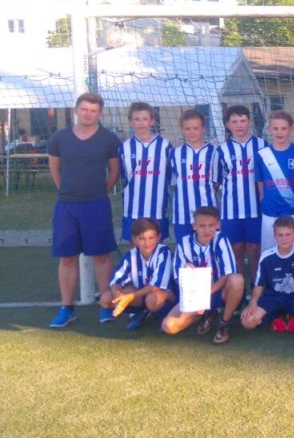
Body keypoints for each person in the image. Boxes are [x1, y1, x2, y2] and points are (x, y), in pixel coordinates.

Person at [48, 92, 122, 328]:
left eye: (93, 110)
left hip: (96, 204)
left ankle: (106, 304)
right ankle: (67, 308)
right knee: (67, 258)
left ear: (99, 114)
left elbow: (114, 172)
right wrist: (68, 191)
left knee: (101, 255)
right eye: (84, 109)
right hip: (67, 206)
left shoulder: (109, 139)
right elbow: (55, 169)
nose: (88, 114)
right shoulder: (59, 138)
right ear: (76, 110)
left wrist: (98, 192)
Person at [161, 206, 246, 345]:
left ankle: (224, 324)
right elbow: (177, 275)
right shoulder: (184, 243)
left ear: (218, 225)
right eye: (202, 226)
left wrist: (206, 294)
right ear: (194, 226)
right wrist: (185, 270)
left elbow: (228, 274)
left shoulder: (221, 240)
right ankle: (206, 314)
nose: (207, 230)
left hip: (218, 292)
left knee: (237, 280)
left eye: (211, 225)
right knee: (169, 326)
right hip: (194, 296)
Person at [241, 215, 294, 333]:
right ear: (275, 236)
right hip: (273, 297)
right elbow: (259, 285)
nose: (284, 238)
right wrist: (253, 301)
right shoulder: (267, 257)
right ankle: (274, 317)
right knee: (248, 322)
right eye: (280, 235)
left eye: (288, 234)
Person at [216, 105, 266, 285]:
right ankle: (240, 290)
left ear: (249, 122)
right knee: (235, 251)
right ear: (227, 125)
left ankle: (256, 287)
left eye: (243, 120)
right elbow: (217, 182)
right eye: (234, 121)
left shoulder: (262, 145)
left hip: (256, 210)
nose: (239, 125)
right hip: (231, 212)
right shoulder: (221, 150)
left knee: (255, 251)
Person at [100, 218, 176, 331]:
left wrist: (130, 296)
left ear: (158, 237)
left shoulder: (164, 252)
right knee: (106, 298)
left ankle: (164, 315)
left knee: (151, 300)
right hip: (141, 295)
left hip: (165, 295)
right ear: (134, 239)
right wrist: (119, 297)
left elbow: (156, 286)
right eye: (142, 239)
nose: (147, 243)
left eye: (151, 238)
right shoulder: (131, 255)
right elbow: (116, 281)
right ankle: (142, 312)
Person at [118, 101, 171, 243]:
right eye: (137, 119)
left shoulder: (165, 145)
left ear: (152, 121)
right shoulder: (124, 147)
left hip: (157, 208)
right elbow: (123, 175)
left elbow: (170, 174)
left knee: (157, 246)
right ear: (131, 122)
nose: (141, 123)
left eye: (145, 119)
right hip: (132, 208)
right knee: (135, 246)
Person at [255, 111, 294, 253]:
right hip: (270, 212)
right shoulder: (262, 154)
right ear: (270, 129)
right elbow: (260, 182)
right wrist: (267, 200)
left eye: (283, 128)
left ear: (290, 129)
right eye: (275, 128)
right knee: (270, 253)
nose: (279, 132)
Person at [170, 110, 217, 245]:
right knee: (185, 250)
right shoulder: (175, 153)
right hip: (182, 214)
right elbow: (174, 181)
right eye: (187, 128)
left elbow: (216, 182)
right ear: (182, 130)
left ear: (202, 129)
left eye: (195, 128)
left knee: (209, 250)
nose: (191, 132)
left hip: (208, 213)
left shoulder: (213, 152)